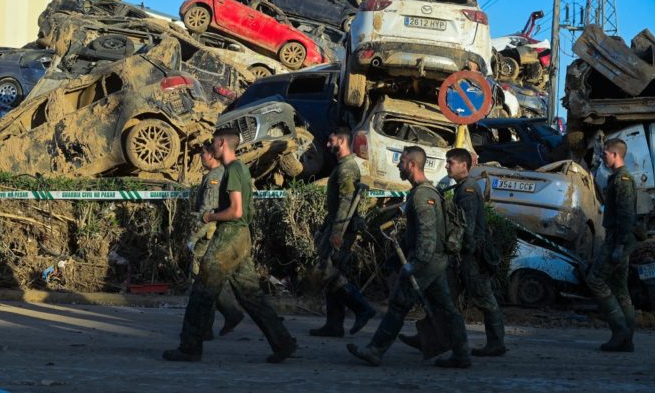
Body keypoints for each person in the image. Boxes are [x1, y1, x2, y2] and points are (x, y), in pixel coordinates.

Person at [163, 127, 296, 363]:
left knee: (202, 290)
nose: (212, 147)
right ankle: (283, 342)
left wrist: (210, 217)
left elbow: (236, 210)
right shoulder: (240, 168)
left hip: (231, 234)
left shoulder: (233, 169)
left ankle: (190, 347)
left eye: (214, 142)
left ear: (222, 143)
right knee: (250, 294)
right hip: (241, 236)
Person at [347, 146, 471, 368]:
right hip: (434, 261)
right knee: (446, 308)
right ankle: (462, 354)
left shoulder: (423, 195)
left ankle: (375, 350)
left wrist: (415, 265)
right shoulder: (421, 192)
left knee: (398, 304)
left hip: (427, 261)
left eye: (402, 161)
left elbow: (427, 234)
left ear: (412, 165)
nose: (398, 165)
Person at [399, 148, 505, 356]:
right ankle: (427, 337)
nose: (447, 166)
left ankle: (496, 342)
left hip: (471, 257)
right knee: (443, 298)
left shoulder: (467, 190)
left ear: (463, 165)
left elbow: (468, 227)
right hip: (464, 256)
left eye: (450, 162)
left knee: (483, 298)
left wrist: (457, 250)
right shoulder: (462, 188)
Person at [309, 126, 376, 337]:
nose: (328, 145)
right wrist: (325, 228)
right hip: (337, 226)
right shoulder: (342, 167)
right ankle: (334, 324)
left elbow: (346, 203)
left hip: (343, 229)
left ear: (342, 140)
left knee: (331, 273)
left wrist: (337, 232)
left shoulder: (347, 169)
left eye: (331, 140)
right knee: (333, 272)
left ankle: (362, 308)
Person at [186, 141, 244, 340]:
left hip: (207, 235)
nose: (200, 157)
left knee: (203, 281)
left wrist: (192, 238)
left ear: (211, 155)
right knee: (207, 281)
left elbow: (206, 212)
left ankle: (227, 314)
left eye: (202, 153)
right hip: (213, 234)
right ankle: (209, 326)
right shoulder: (218, 175)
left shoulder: (214, 178)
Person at [586, 138, 637, 352]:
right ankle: (626, 339)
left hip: (618, 239)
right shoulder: (617, 177)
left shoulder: (622, 179)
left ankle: (620, 331)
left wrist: (620, 245)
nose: (603, 156)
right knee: (619, 288)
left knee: (595, 280)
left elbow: (626, 216)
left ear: (615, 154)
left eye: (605, 153)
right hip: (618, 239)